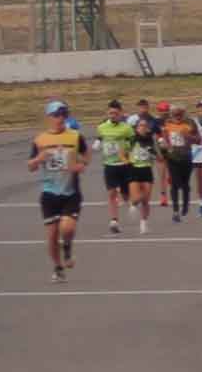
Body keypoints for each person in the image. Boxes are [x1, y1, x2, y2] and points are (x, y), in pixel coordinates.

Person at [25, 102, 89, 280]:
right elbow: (30, 166)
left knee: (67, 228)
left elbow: (87, 154)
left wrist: (81, 165)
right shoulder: (40, 140)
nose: (61, 118)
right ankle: (58, 266)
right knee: (52, 235)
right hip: (49, 193)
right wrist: (39, 158)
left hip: (71, 192)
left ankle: (67, 247)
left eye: (64, 114)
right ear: (49, 117)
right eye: (57, 115)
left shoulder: (75, 136)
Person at [93, 100, 137, 235]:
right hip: (109, 165)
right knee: (112, 193)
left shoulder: (126, 128)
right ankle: (114, 221)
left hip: (124, 165)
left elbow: (133, 142)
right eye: (110, 113)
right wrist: (97, 144)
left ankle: (129, 202)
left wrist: (129, 153)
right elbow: (99, 138)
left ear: (121, 113)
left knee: (125, 194)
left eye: (115, 113)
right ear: (108, 113)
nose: (113, 115)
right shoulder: (102, 127)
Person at [155, 103, 199, 221]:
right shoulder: (167, 123)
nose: (177, 117)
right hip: (173, 158)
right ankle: (175, 211)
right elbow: (164, 139)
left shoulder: (190, 123)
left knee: (184, 184)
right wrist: (164, 145)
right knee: (174, 184)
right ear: (171, 115)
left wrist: (189, 137)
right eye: (175, 114)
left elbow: (199, 140)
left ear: (183, 114)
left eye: (180, 114)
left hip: (186, 157)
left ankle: (185, 205)